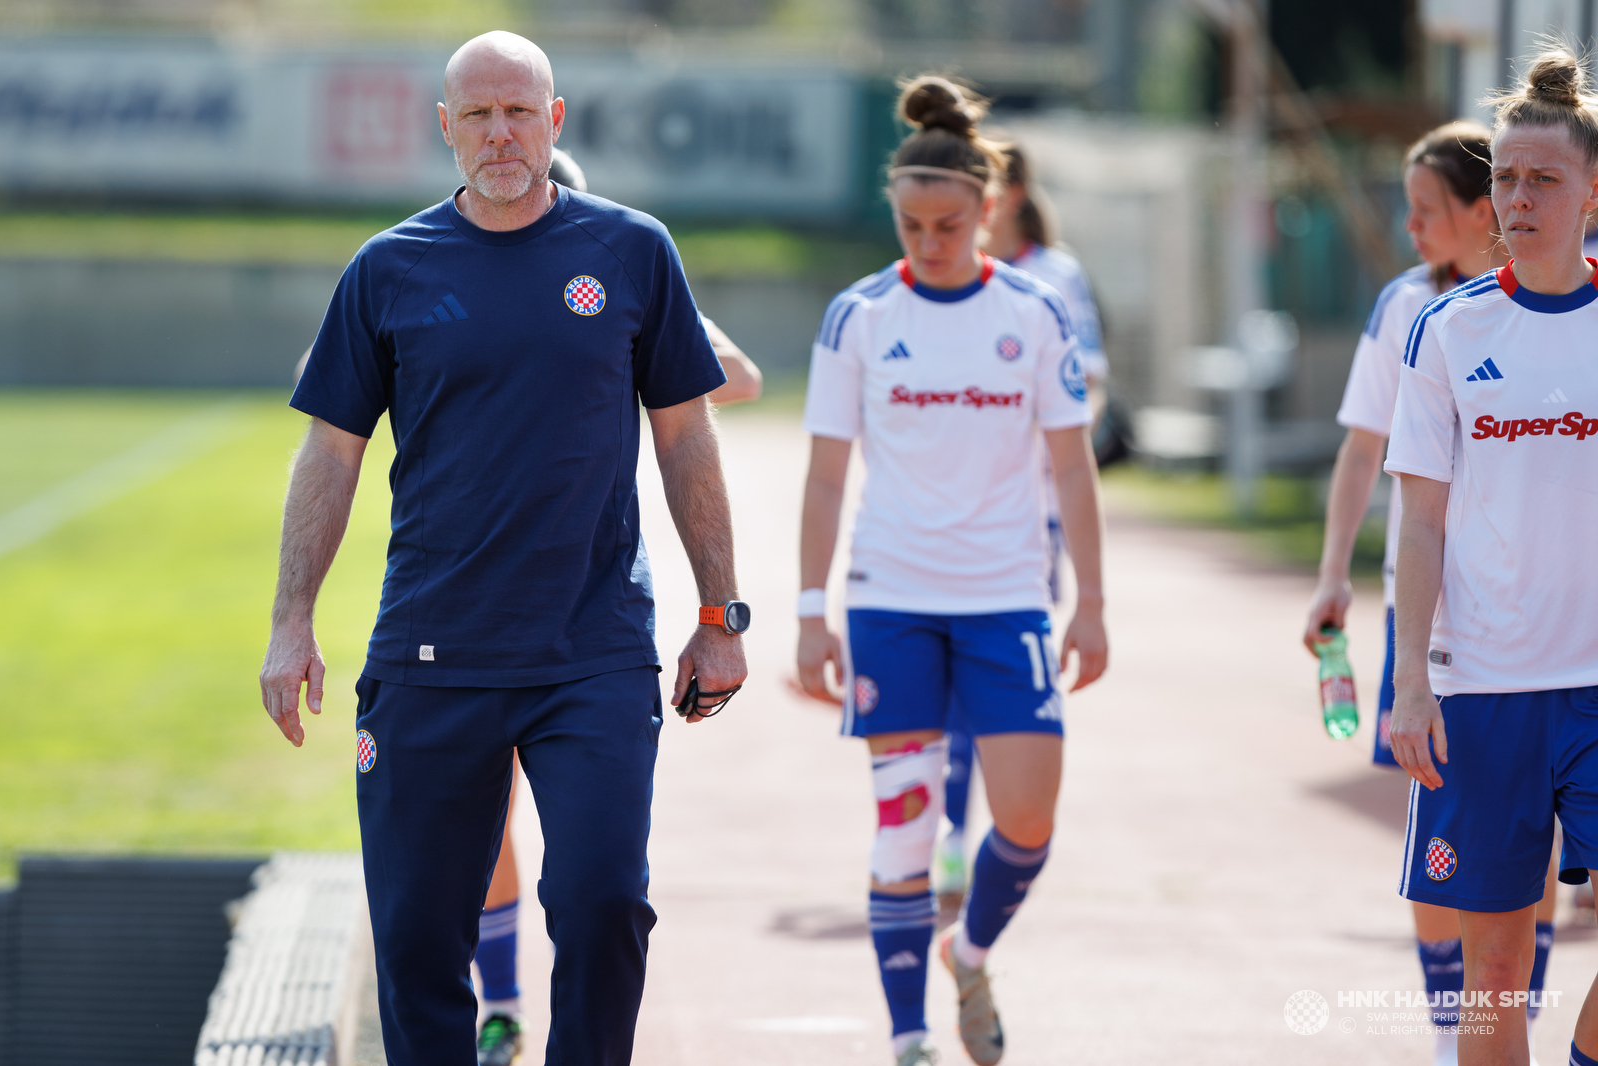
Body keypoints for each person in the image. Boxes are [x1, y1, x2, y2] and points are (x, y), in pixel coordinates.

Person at [257, 31, 750, 1066]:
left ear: (554, 119)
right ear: (445, 127)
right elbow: (330, 454)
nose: (500, 134)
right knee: (415, 941)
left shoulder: (632, 251)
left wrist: (720, 615)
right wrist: (290, 620)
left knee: (605, 903)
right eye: (477, 115)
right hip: (431, 654)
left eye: (519, 112)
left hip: (591, 650)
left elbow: (686, 437)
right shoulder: (388, 268)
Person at [796, 75, 1108, 1066]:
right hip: (889, 601)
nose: (928, 243)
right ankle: (908, 1036)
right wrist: (809, 611)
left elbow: (1073, 465)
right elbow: (825, 476)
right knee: (907, 829)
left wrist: (1091, 603)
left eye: (948, 224)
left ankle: (967, 951)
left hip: (1007, 600)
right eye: (910, 225)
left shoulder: (1036, 311)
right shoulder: (857, 315)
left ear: (990, 209)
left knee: (1027, 818)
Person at [469, 144, 761, 1066]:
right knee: (484, 824)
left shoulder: (624, 271)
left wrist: (633, 350)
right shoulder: (450, 272)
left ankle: (522, 1011)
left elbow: (740, 376)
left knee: (597, 875)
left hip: (587, 610)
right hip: (467, 602)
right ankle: (502, 1004)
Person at [1302, 120, 1559, 1066]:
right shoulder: (1410, 306)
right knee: (1441, 855)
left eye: (1425, 210)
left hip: (1557, 630)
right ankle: (1461, 1037)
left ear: (1479, 211)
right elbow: (1362, 446)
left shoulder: (1565, 301)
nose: (1409, 229)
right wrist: (1332, 575)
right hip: (1440, 629)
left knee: (1533, 855)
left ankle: (1513, 1024)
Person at [1386, 44, 1598, 1066]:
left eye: (1543, 179)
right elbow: (1420, 522)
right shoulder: (1447, 329)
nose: (1518, 197)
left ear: (1592, 192)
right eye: (1506, 177)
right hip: (1482, 690)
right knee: (1496, 973)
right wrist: (1409, 684)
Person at [930, 141, 1113, 904]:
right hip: (947, 514)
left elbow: (1088, 382)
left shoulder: (1054, 278)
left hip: (1027, 517)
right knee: (943, 678)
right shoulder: (936, 273)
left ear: (1002, 197)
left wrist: (1038, 441)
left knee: (996, 677)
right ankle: (949, 832)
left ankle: (1005, 832)